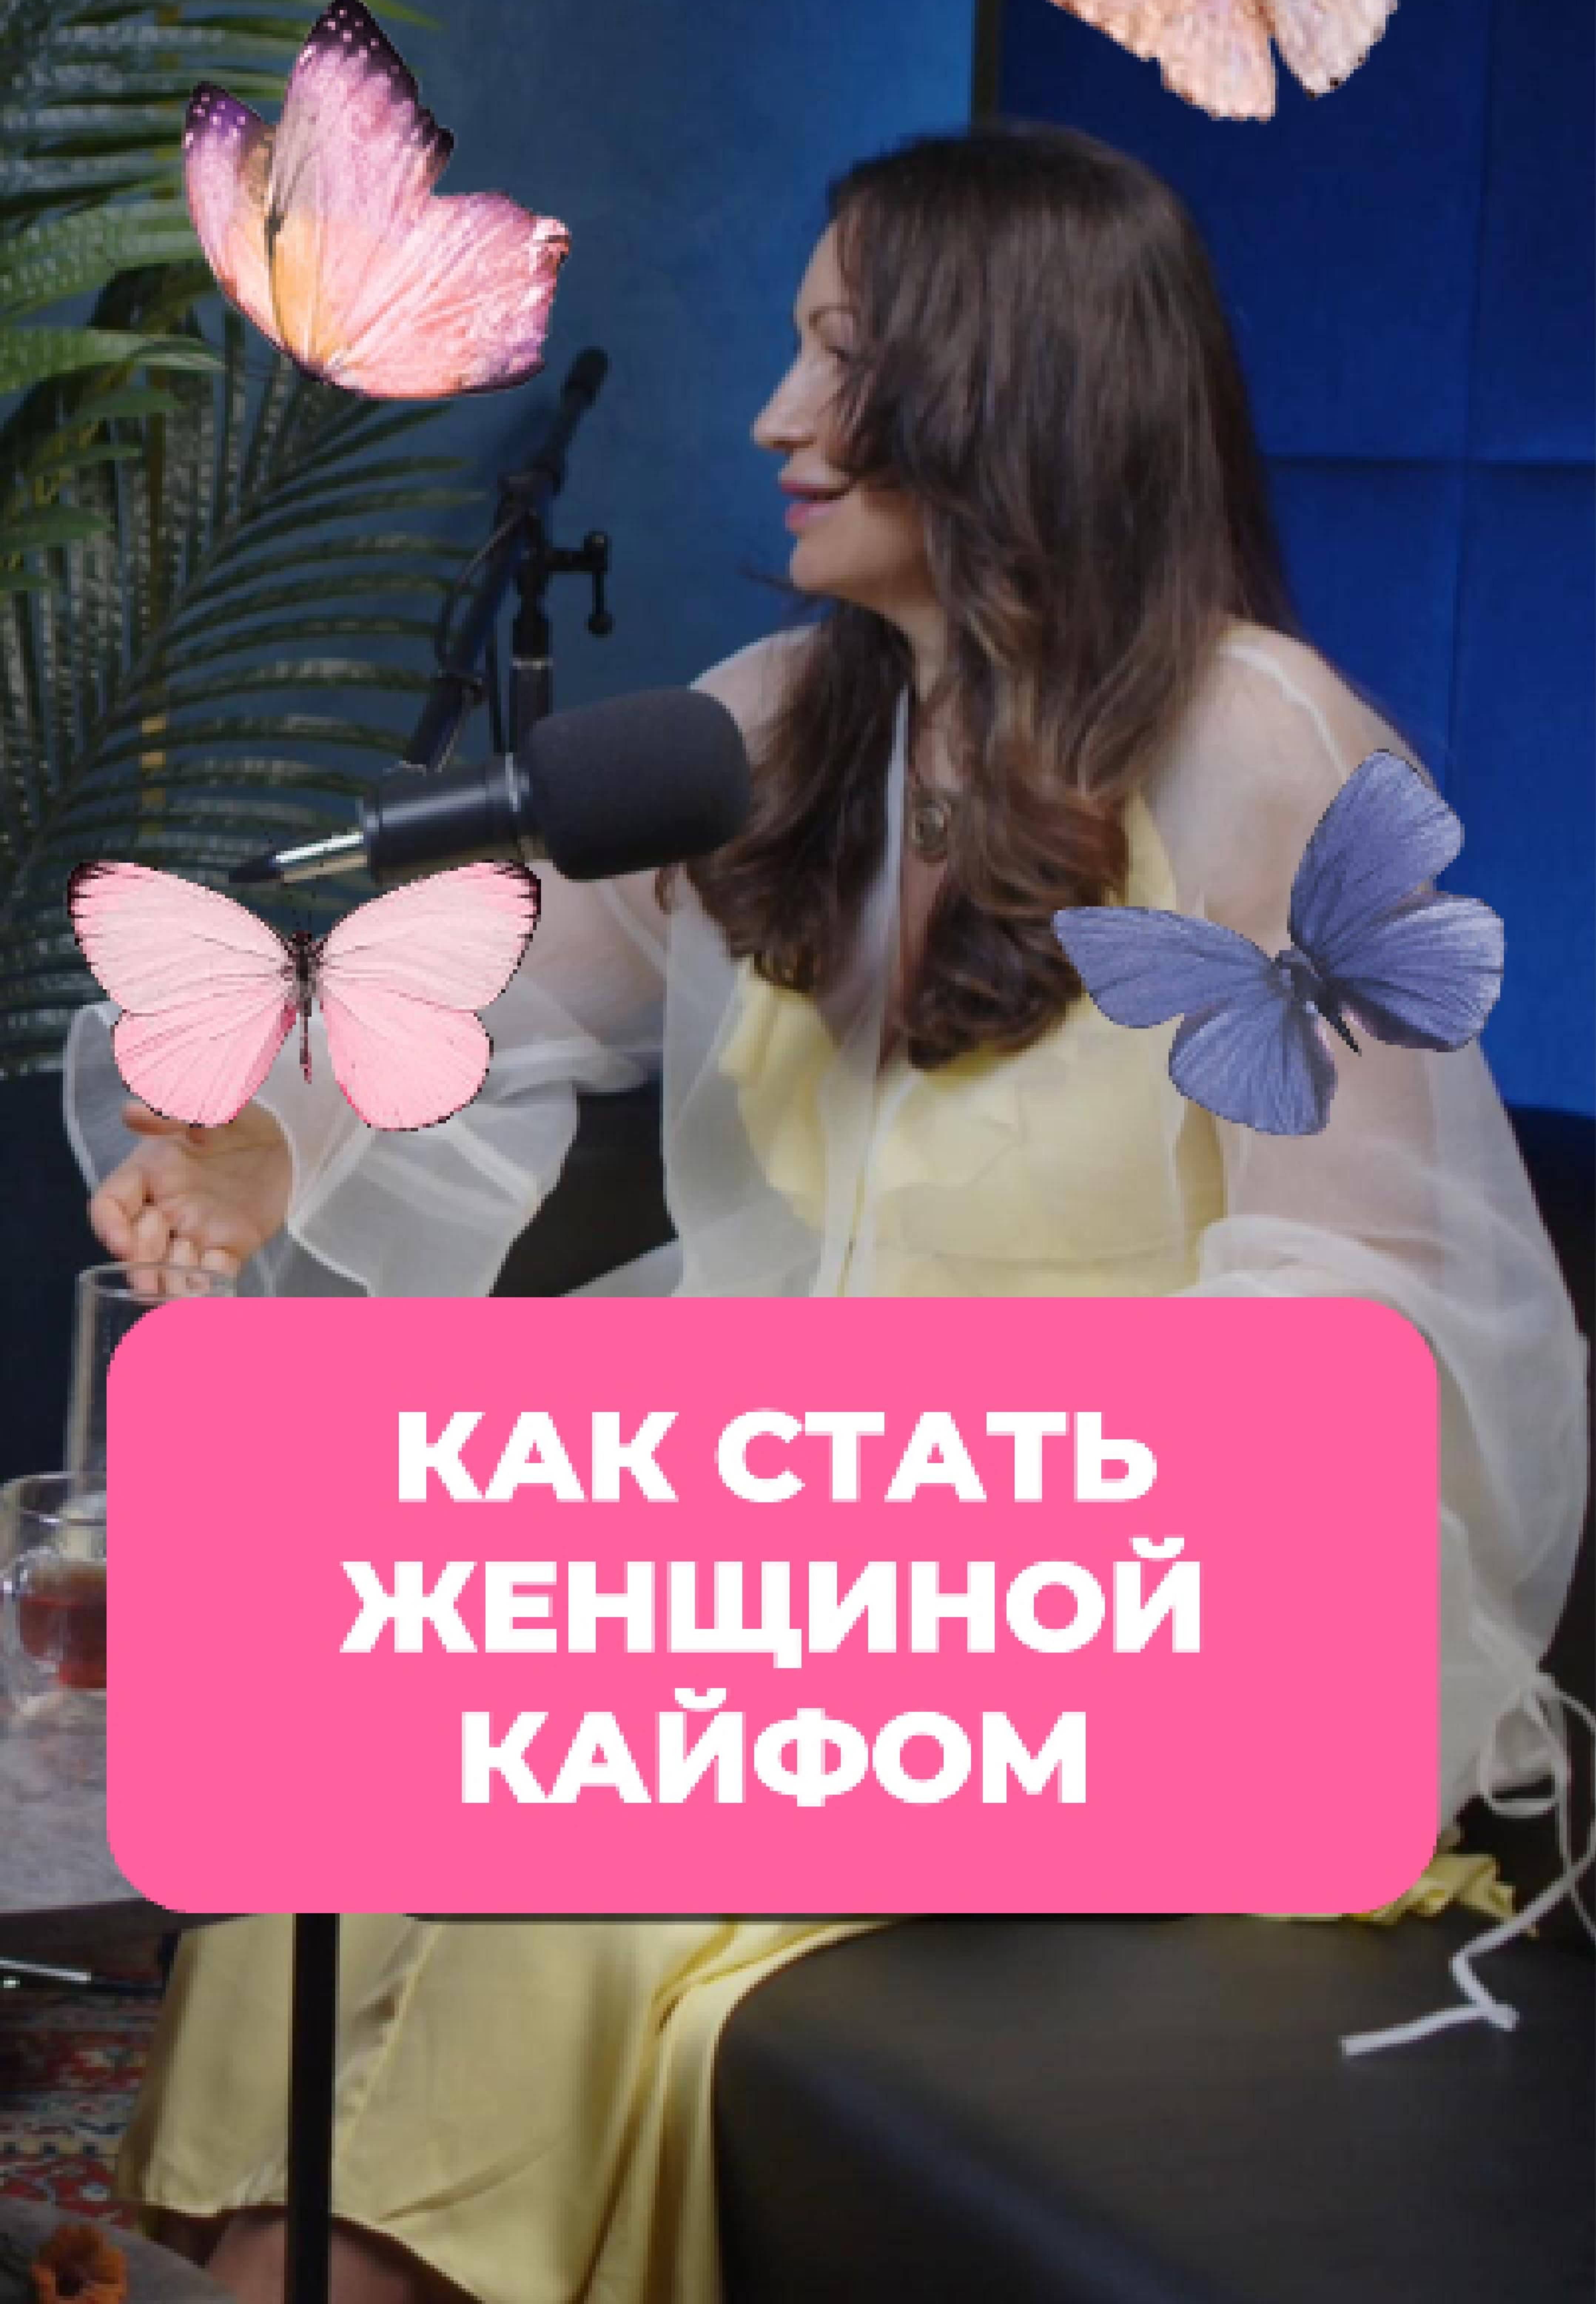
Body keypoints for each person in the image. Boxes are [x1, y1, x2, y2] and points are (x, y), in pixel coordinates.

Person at [67, 124, 1589, 2304]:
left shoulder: (1262, 749)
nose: (775, 419)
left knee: (545, 1877)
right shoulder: (782, 726)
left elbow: (1374, 1331)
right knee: (343, 1821)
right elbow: (477, 1006)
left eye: (842, 360)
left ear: (1009, 384)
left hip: (1125, 1611)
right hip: (799, 1584)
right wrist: (266, 1136)